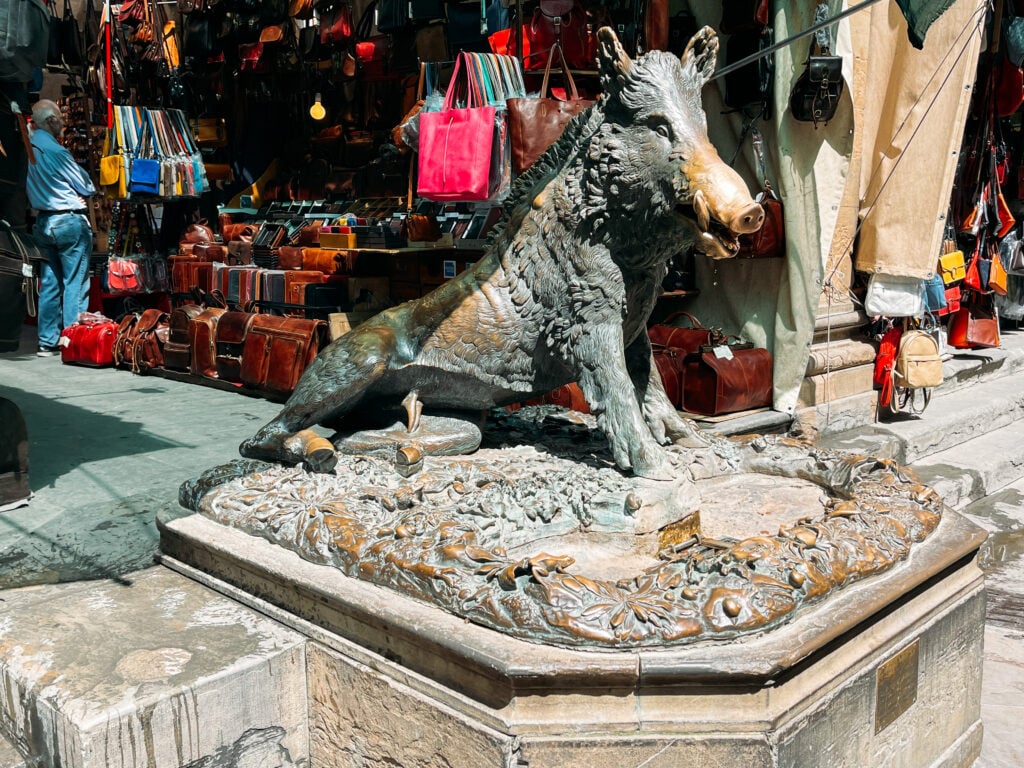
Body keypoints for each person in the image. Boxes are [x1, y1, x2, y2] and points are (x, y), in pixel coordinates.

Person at [26, 99, 95, 356]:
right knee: (75, 281)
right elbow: (86, 186)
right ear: (52, 121)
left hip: (44, 221)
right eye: (60, 119)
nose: (63, 124)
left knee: (51, 282)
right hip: (67, 220)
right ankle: (74, 341)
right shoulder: (56, 151)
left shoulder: (29, 147)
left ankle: (47, 340)